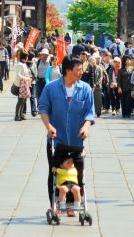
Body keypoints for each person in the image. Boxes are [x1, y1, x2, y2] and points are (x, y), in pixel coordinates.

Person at [38, 55, 96, 217]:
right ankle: (54, 204)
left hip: (77, 141)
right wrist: (48, 126)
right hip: (57, 140)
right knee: (55, 173)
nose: (81, 72)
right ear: (68, 70)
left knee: (77, 174)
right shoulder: (51, 88)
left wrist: (86, 126)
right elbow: (43, 108)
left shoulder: (85, 89)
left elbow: (90, 113)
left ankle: (72, 204)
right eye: (78, 69)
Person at [13, 51, 33, 121]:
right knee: (20, 100)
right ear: (24, 57)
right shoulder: (20, 65)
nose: (27, 58)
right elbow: (18, 75)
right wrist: (26, 78)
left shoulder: (24, 64)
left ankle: (21, 114)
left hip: (25, 84)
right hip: (20, 85)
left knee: (24, 100)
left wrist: (28, 79)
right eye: (27, 57)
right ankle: (17, 115)